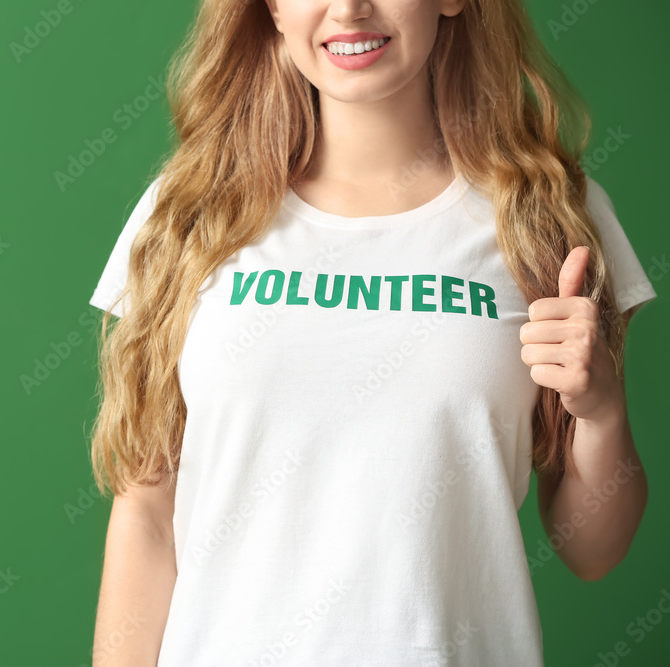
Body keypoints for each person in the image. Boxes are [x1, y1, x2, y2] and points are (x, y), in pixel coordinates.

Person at [86, 0, 656, 664]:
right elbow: (147, 516)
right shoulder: (187, 217)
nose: (350, 10)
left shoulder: (549, 220)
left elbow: (592, 550)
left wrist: (602, 411)